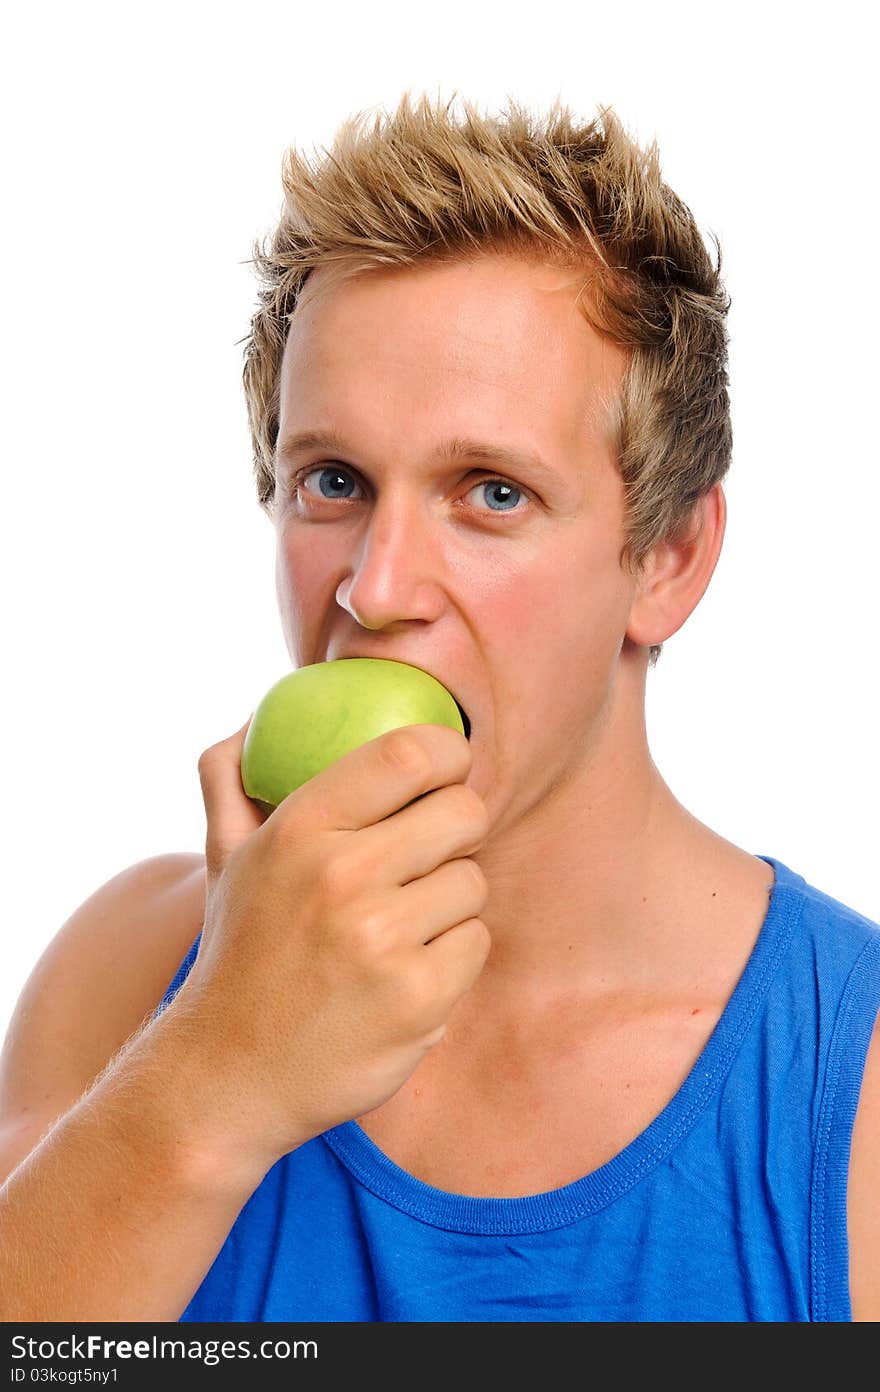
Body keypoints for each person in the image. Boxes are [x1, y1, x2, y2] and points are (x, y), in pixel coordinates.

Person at [1, 91, 878, 1324]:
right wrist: (211, 1076)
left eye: (491, 493)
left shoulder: (850, 1084)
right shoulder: (132, 973)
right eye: (335, 481)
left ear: (668, 559)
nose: (375, 586)